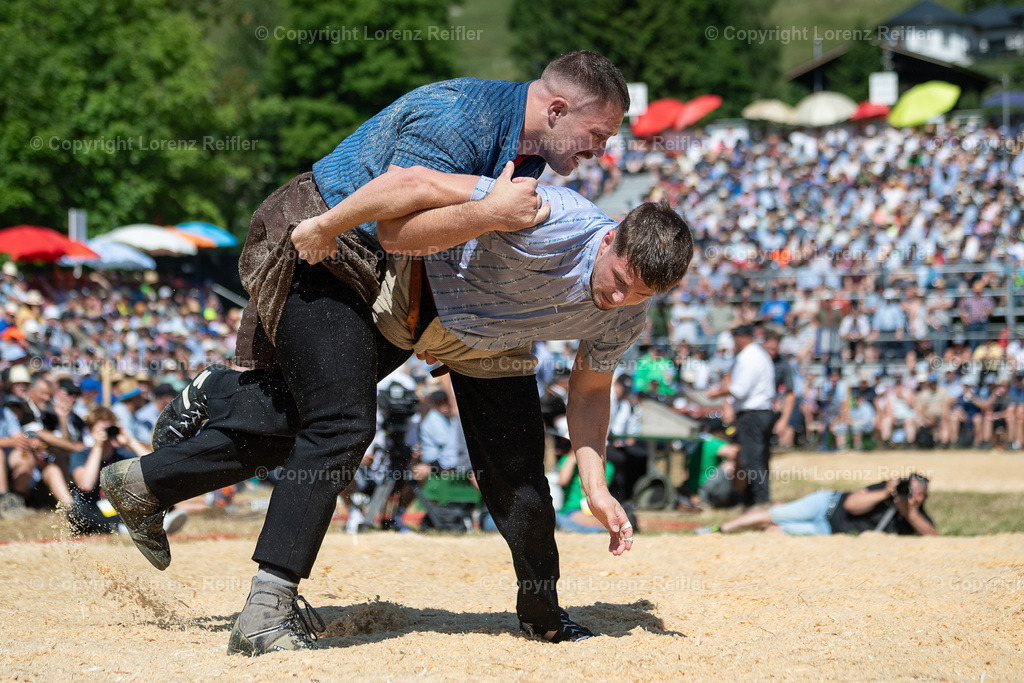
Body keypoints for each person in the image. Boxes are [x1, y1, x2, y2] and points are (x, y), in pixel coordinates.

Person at [102, 117, 691, 663]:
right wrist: (331, 226)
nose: (617, 300)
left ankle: (543, 614)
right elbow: (416, 183)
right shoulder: (549, 211)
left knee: (524, 486)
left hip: (490, 343)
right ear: (610, 239)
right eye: (618, 282)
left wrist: (596, 485)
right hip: (415, 297)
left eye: (639, 296)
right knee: (330, 425)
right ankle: (215, 418)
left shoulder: (624, 316)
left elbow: (588, 392)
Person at [698, 473, 937, 537]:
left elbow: (932, 535)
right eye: (910, 490)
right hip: (827, 505)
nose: (910, 496)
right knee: (772, 515)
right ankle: (722, 528)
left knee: (776, 530)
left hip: (827, 529)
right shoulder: (886, 489)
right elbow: (852, 505)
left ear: (923, 498)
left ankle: (749, 527)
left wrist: (910, 512)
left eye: (917, 494)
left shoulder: (916, 512)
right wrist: (885, 493)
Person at [707, 324, 775, 508]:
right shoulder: (759, 355)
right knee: (759, 457)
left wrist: (718, 392)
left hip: (752, 414)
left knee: (752, 458)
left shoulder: (748, 357)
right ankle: (759, 499)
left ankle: (759, 501)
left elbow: (740, 390)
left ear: (741, 338)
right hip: (761, 412)